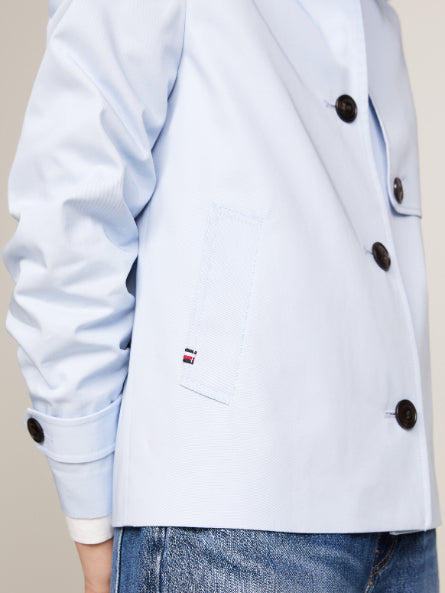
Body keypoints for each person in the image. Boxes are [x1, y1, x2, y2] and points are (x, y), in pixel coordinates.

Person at [3, 0, 441, 591]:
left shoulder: (376, 18)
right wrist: (89, 508)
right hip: (223, 530)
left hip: (403, 531)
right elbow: (69, 217)